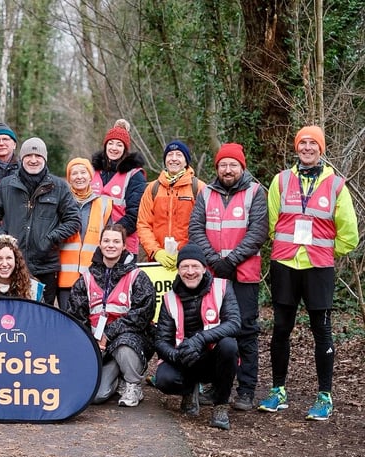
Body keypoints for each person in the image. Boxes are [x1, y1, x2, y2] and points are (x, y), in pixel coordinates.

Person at [259, 125, 359, 421]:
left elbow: (349, 234)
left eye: (312, 144)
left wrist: (327, 251)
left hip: (318, 267)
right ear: (296, 148)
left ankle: (324, 396)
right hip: (285, 264)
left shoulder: (336, 186)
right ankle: (278, 390)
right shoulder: (281, 181)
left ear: (321, 149)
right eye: (302, 143)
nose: (307, 148)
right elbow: (273, 222)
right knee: (280, 329)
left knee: (322, 331)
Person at [188, 143, 268, 411]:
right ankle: (217, 386)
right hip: (212, 276)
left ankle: (245, 390)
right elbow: (195, 229)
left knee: (245, 331)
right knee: (211, 330)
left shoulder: (255, 192)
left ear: (242, 167)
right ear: (217, 168)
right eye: (223, 164)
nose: (228, 169)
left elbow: (258, 233)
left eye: (233, 164)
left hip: (243, 274)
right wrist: (213, 261)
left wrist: (231, 261)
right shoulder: (205, 193)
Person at [152, 243, 240, 430]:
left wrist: (200, 339)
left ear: (204, 268)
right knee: (163, 379)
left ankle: (221, 405)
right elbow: (160, 340)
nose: (190, 272)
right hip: (185, 358)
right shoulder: (169, 298)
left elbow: (234, 324)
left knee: (229, 346)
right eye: (184, 266)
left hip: (212, 355)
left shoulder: (222, 287)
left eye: (195, 266)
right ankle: (189, 391)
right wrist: (176, 356)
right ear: (178, 270)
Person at [0, 137, 81, 304]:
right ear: (22, 158)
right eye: (29, 156)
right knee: (11, 317)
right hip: (11, 266)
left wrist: (51, 238)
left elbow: (73, 220)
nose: (33, 160)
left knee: (42, 316)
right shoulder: (6, 185)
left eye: (38, 156)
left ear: (45, 159)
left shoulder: (59, 187)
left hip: (45, 266)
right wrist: (2, 240)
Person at [67, 224, 156, 406]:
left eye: (116, 241)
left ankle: (132, 383)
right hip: (98, 344)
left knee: (124, 346)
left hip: (130, 339)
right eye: (106, 240)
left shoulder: (137, 276)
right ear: (99, 244)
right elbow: (76, 314)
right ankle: (118, 378)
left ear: (124, 246)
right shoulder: (86, 277)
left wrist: (108, 334)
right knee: (97, 395)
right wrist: (90, 340)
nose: (110, 245)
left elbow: (142, 314)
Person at [137, 141, 205, 270]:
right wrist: (156, 251)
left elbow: (204, 227)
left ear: (186, 161)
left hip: (190, 263)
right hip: (156, 262)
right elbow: (143, 224)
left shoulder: (199, 188)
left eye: (179, 155)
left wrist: (187, 253)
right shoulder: (152, 188)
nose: (174, 158)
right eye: (170, 155)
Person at [57, 157, 114, 311]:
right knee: (67, 322)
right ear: (69, 179)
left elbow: (111, 239)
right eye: (74, 173)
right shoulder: (60, 202)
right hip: (65, 279)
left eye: (83, 172)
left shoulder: (104, 204)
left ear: (90, 176)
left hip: (94, 277)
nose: (79, 176)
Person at [90, 119, 147, 255]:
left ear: (125, 149)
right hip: (93, 244)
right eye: (110, 143)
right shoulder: (93, 171)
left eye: (119, 145)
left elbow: (135, 216)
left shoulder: (134, 175)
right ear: (105, 146)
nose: (114, 148)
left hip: (122, 245)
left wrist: (111, 236)